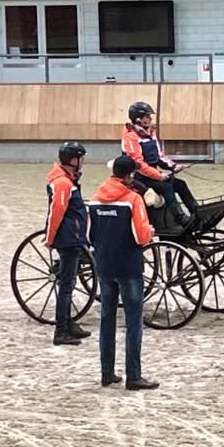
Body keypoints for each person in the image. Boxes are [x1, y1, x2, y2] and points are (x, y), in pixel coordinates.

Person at [87, 155, 159, 390]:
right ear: (130, 176)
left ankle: (107, 372)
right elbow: (141, 236)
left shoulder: (96, 199)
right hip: (129, 266)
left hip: (105, 266)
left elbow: (90, 236)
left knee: (107, 318)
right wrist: (150, 231)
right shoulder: (133, 199)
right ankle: (134, 375)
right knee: (133, 322)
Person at [121, 100, 199, 230]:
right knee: (167, 187)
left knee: (180, 184)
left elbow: (159, 156)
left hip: (152, 175)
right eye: (148, 116)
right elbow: (138, 164)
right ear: (139, 119)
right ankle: (181, 219)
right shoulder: (131, 137)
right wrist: (158, 175)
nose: (150, 119)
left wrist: (173, 166)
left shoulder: (150, 134)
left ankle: (196, 212)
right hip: (138, 178)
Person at [45, 141, 91, 346]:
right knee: (66, 286)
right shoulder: (63, 183)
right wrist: (50, 237)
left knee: (70, 283)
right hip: (68, 237)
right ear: (74, 160)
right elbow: (57, 211)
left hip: (74, 235)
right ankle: (61, 330)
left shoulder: (68, 180)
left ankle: (68, 321)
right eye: (82, 158)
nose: (84, 162)